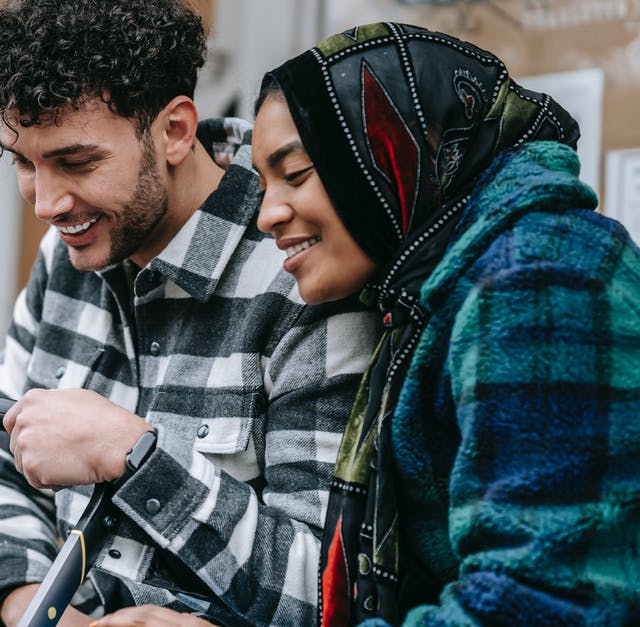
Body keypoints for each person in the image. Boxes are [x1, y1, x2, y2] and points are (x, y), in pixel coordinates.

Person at [0, 1, 379, 625]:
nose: (46, 203)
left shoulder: (300, 272)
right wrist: (32, 608)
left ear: (175, 131)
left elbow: (321, 590)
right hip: (36, 614)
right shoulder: (68, 253)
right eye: (24, 162)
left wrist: (134, 454)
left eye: (76, 162)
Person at [244, 22, 640, 627]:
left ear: (396, 149)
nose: (268, 214)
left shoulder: (538, 276)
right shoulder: (430, 292)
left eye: (296, 173)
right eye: (263, 183)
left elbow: (536, 605)